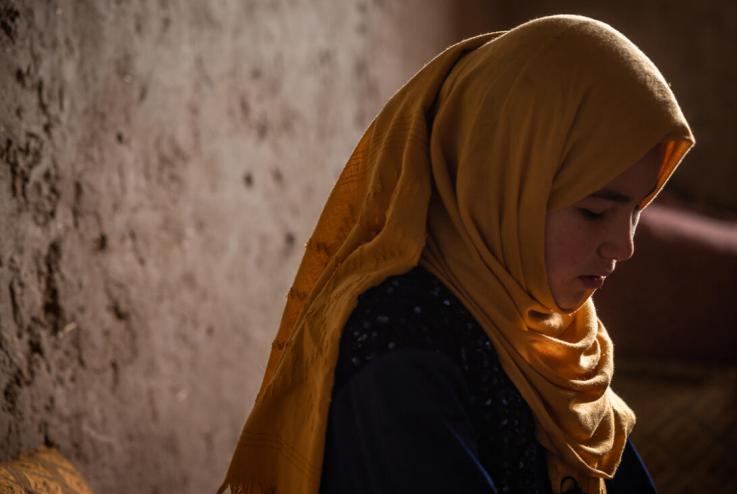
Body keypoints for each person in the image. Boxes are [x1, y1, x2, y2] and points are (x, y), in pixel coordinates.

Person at [218, 15, 694, 494]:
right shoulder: (402, 346)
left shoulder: (553, 338)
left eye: (637, 210)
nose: (624, 246)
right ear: (498, 188)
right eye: (594, 213)